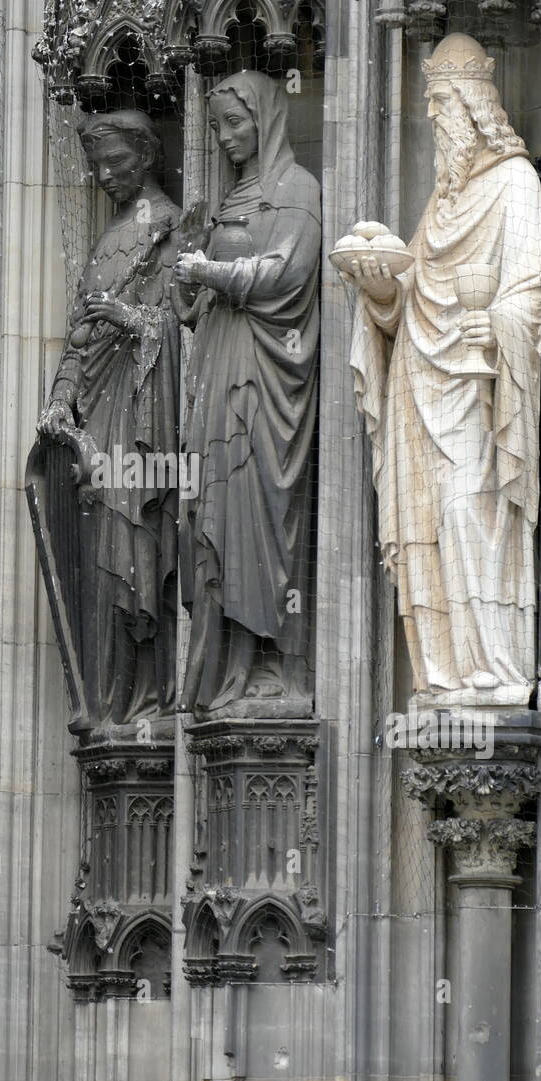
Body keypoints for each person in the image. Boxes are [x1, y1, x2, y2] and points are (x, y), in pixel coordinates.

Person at [346, 33, 541, 706]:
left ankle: (492, 666)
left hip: (470, 380)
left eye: (438, 102)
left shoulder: (514, 182)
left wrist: (502, 324)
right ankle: (439, 673)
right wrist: (378, 287)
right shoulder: (441, 202)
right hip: (416, 382)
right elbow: (405, 298)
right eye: (428, 103)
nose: (431, 116)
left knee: (470, 510)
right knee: (419, 526)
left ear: (469, 103)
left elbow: (528, 290)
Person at [174, 70, 321, 718]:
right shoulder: (231, 199)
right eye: (216, 127)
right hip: (219, 377)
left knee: (261, 511)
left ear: (266, 117)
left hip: (266, 387)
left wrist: (214, 270)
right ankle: (222, 672)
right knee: (214, 520)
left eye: (236, 122)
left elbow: (286, 275)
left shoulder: (296, 192)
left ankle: (268, 665)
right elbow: (191, 304)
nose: (227, 137)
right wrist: (188, 270)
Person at [37, 111, 180, 729]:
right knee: (99, 561)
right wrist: (61, 397)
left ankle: (145, 696)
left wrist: (134, 321)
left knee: (137, 551)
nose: (103, 177)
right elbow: (78, 336)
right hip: (94, 421)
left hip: (142, 413)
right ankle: (108, 698)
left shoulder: (170, 228)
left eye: (115, 164)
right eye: (96, 167)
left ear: (146, 157)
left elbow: (184, 332)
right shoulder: (107, 239)